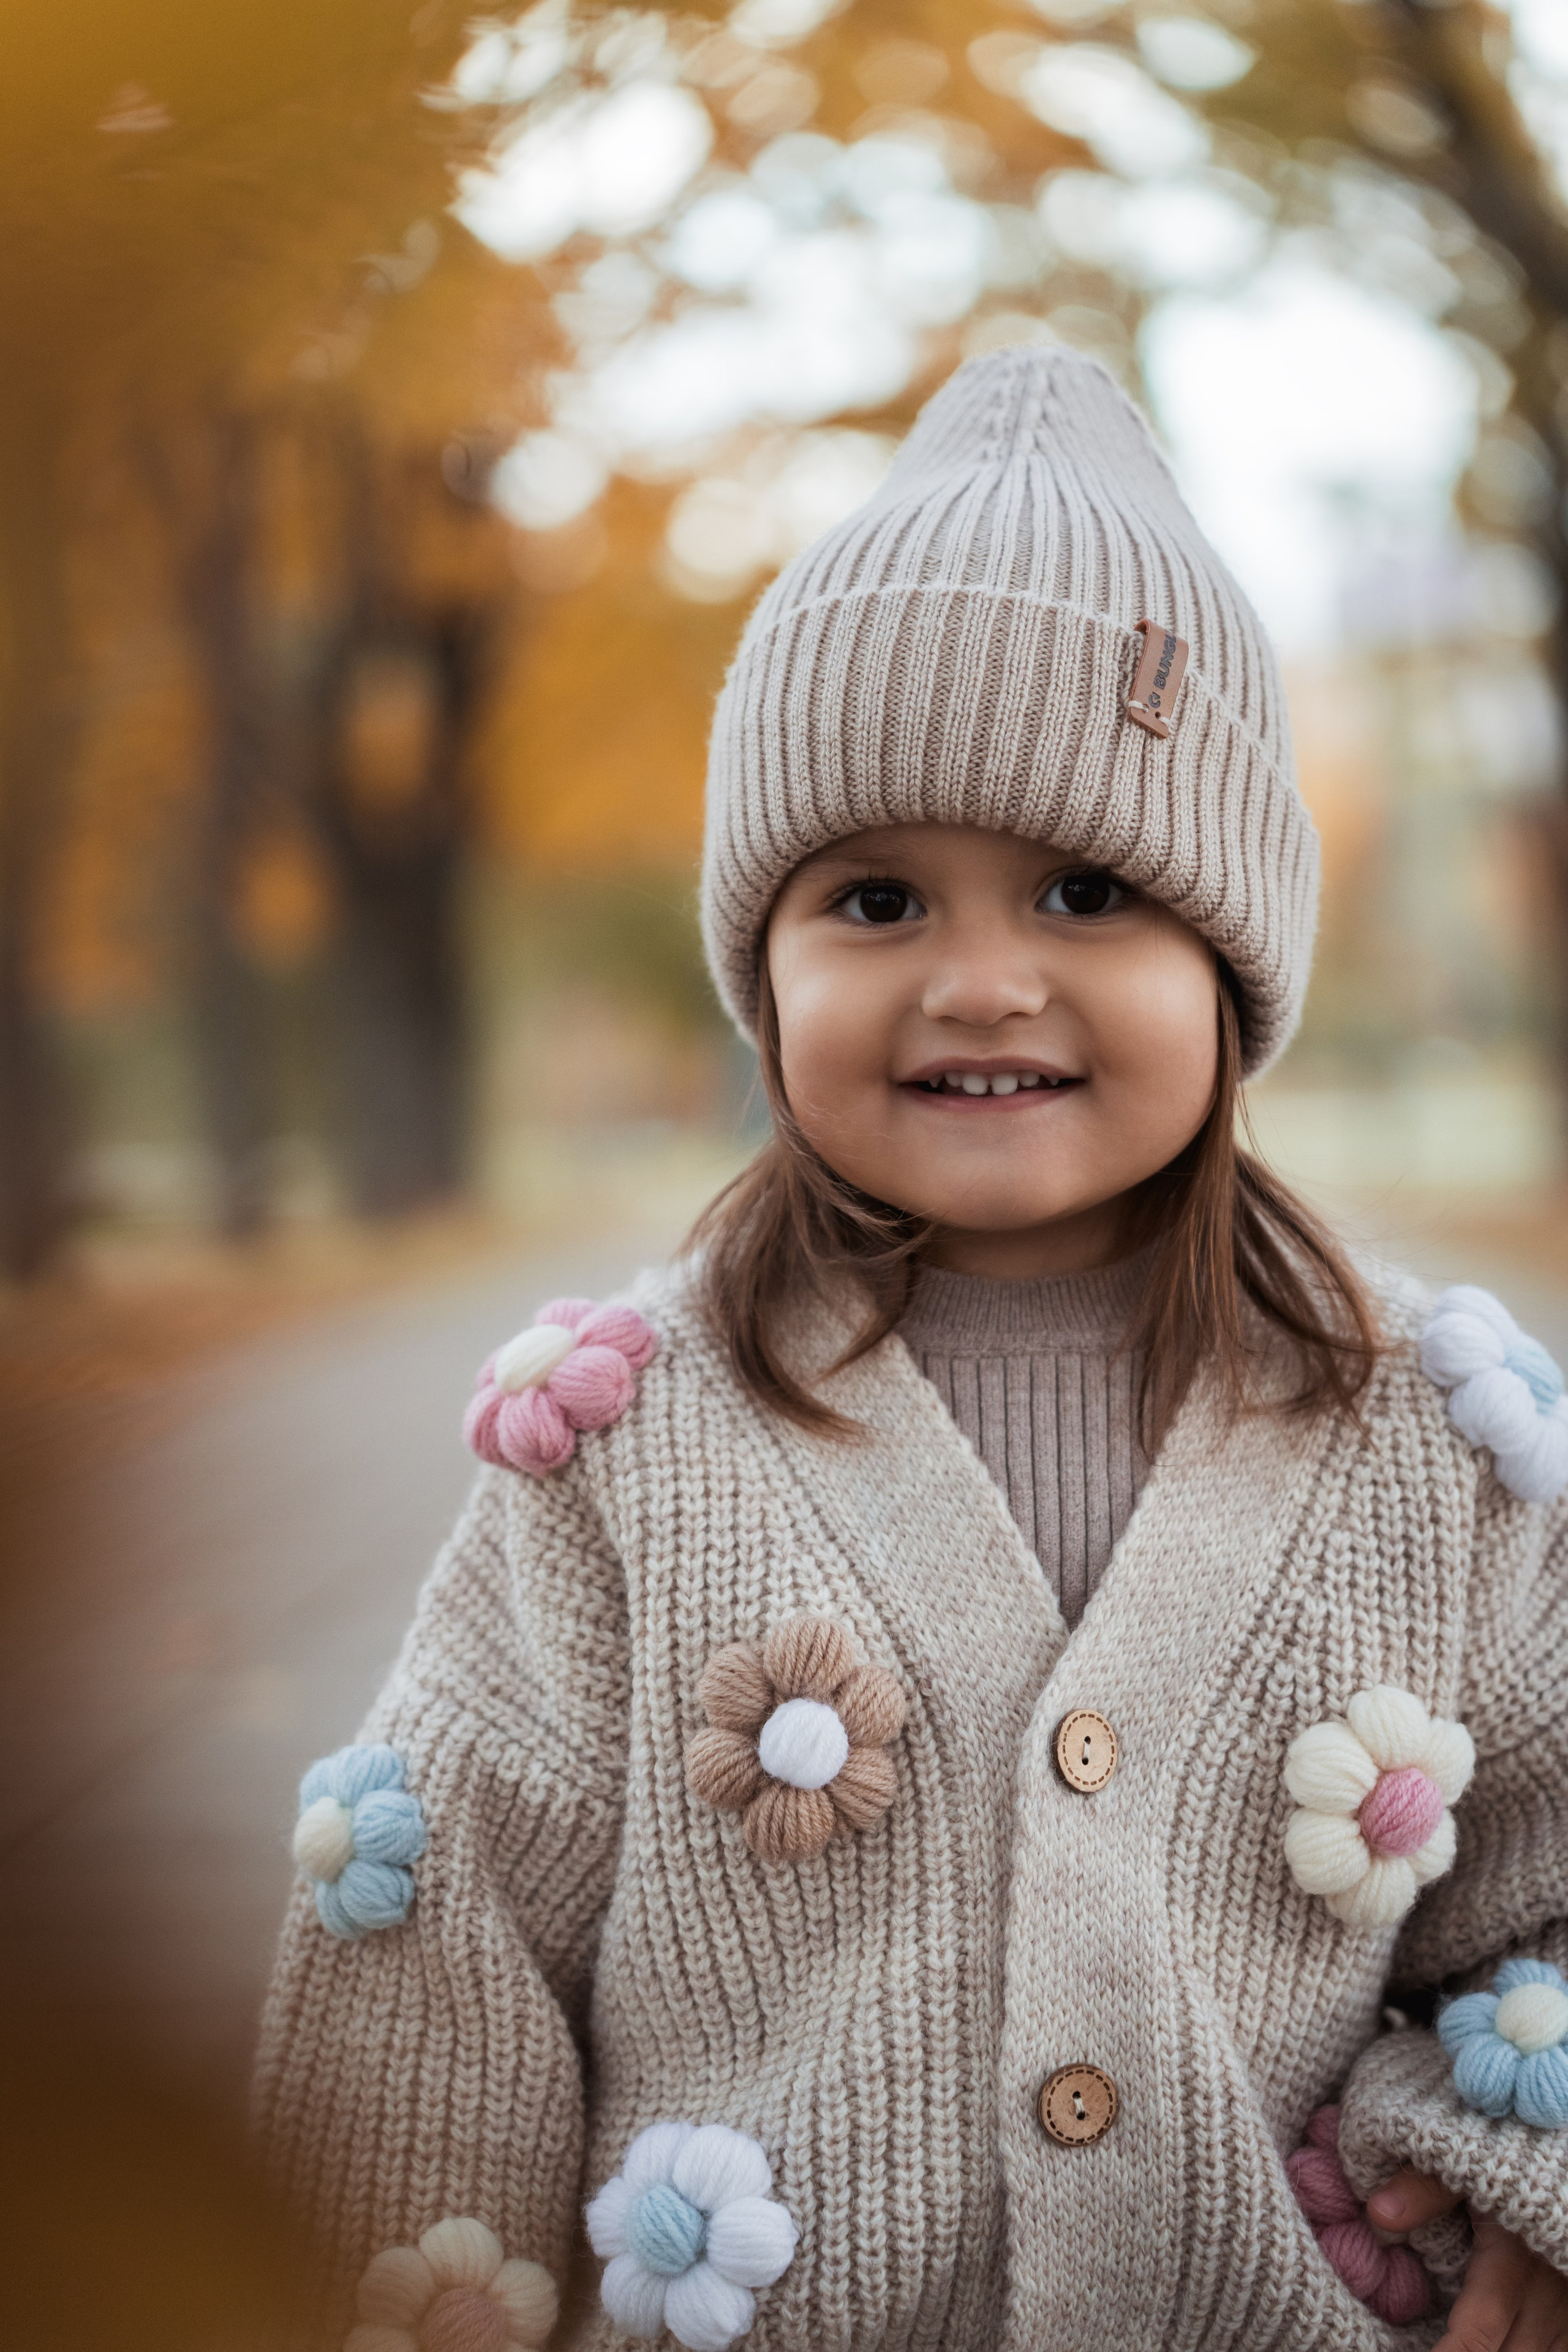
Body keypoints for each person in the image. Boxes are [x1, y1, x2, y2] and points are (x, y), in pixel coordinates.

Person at [255, 347, 1568, 2352]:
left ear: (1233, 965)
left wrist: (1515, 2173)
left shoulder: (1434, 1438)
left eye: (1087, 888)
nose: (978, 978)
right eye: (874, 898)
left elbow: (1546, 1897)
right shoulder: (622, 1445)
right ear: (761, 975)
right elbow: (430, 1968)